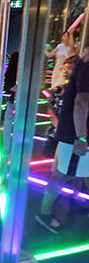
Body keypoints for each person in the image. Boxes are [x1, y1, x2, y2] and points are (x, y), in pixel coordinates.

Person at [36, 53, 89, 233]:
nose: (67, 70)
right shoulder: (76, 77)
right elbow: (80, 104)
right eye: (66, 67)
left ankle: (72, 200)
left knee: (70, 173)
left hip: (71, 136)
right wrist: (81, 136)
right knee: (60, 174)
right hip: (71, 136)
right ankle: (45, 212)